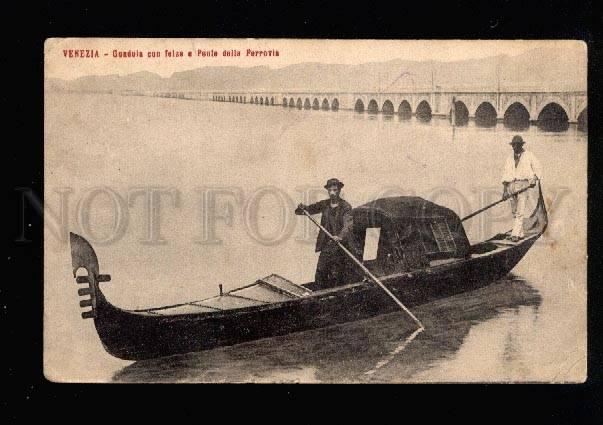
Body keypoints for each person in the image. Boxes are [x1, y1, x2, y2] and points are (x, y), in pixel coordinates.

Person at [295, 178, 360, 289]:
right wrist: (302, 208)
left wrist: (340, 237)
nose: (332, 193)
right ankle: (318, 296)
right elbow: (309, 209)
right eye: (330, 190)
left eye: (335, 190)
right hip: (327, 244)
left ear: (339, 190)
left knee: (337, 274)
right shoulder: (324, 204)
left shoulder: (345, 207)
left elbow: (348, 225)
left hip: (341, 246)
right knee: (320, 272)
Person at [501, 135, 542, 242]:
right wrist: (505, 191)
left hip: (523, 185)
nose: (514, 147)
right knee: (514, 211)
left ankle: (515, 234)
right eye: (513, 145)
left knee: (520, 211)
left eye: (516, 145)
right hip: (511, 186)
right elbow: (505, 175)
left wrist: (534, 179)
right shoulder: (509, 158)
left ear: (521, 145)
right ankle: (521, 233)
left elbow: (538, 167)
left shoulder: (529, 155)